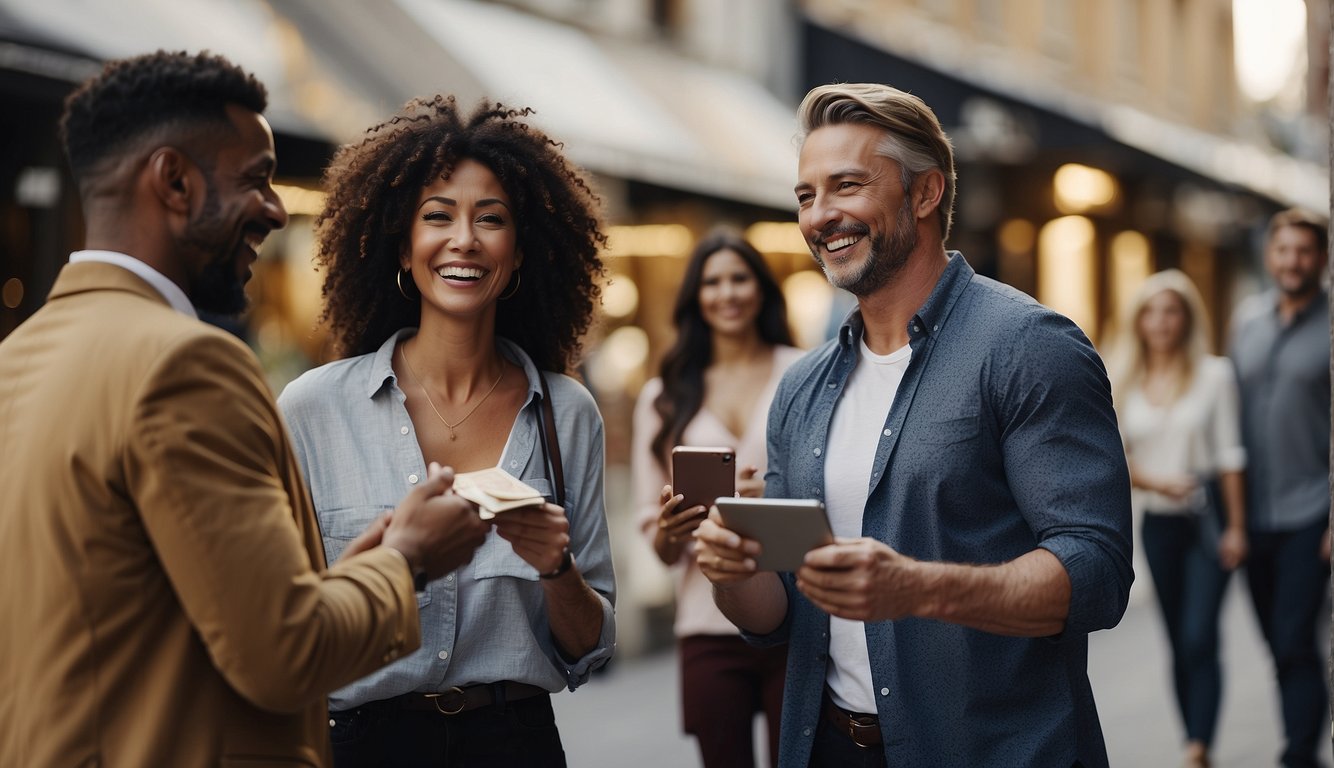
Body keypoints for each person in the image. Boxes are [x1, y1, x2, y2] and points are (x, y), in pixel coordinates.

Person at [0, 51, 491, 768]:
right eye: (255, 179)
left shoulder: (18, 359)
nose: (274, 207)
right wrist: (409, 559)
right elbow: (283, 653)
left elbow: (139, 616)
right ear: (173, 181)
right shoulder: (184, 363)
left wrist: (356, 573)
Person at [693, 82, 1134, 768]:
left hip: (991, 751)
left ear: (925, 195)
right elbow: (777, 609)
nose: (820, 216)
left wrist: (920, 588)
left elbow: (1098, 574)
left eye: (845, 186)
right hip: (828, 746)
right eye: (806, 196)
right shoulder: (803, 388)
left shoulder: (1029, 347)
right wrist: (729, 570)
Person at [277, 95, 616, 768]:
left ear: (519, 255)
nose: (464, 239)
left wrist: (556, 568)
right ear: (403, 246)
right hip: (360, 745)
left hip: (514, 743)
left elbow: (591, 648)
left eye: (491, 219)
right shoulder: (311, 408)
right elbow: (285, 626)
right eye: (438, 217)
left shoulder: (566, 414)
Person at [632, 230, 803, 768]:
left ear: (761, 289)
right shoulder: (663, 397)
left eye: (739, 278)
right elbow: (658, 553)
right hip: (706, 627)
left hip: (797, 617)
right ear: (695, 297)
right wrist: (669, 527)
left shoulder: (805, 372)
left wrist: (771, 495)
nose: (726, 293)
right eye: (712, 282)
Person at [1106, 269, 1247, 768]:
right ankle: (1195, 737)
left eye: (1171, 311)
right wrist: (1154, 482)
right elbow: (1115, 460)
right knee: (1176, 640)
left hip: (1207, 521)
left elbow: (1231, 456)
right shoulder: (1124, 380)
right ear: (1139, 321)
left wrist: (1237, 527)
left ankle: (1196, 747)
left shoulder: (1214, 375)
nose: (1161, 322)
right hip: (1159, 525)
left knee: (1198, 635)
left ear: (1187, 318)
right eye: (1151, 311)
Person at [1228, 208, 1330, 768]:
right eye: (1284, 251)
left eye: (1305, 252)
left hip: (1311, 509)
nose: (1293, 262)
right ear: (1271, 256)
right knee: (1278, 642)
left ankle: (1299, 755)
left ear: (1322, 258)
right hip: (1254, 514)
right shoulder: (1247, 320)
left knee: (1293, 639)